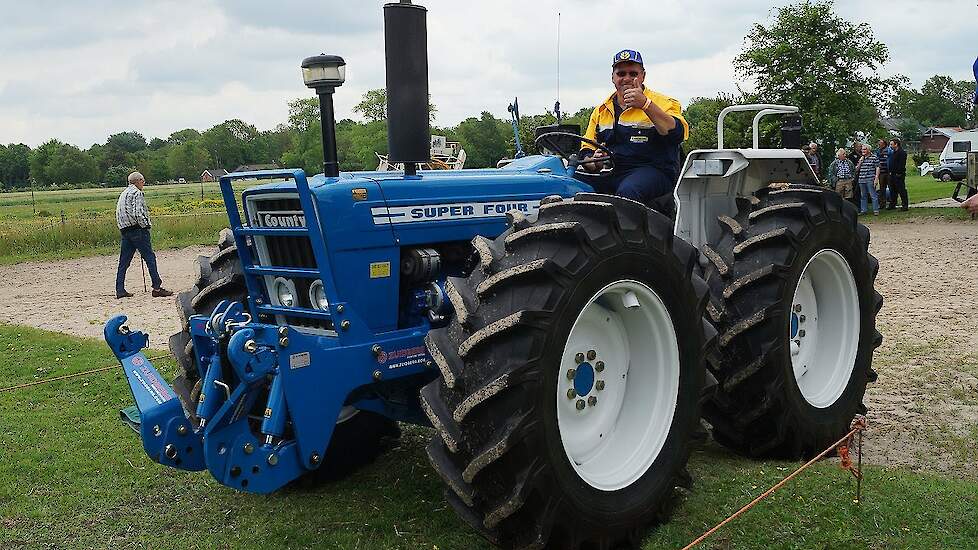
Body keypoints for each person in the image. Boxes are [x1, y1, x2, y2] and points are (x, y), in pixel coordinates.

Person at [579, 49, 689, 211]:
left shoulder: (665, 103)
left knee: (628, 191)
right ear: (613, 77)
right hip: (612, 171)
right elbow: (586, 149)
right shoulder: (601, 110)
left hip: (654, 170)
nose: (627, 79)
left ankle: (628, 236)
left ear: (643, 76)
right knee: (568, 183)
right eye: (621, 73)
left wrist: (645, 105)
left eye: (633, 73)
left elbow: (676, 134)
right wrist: (593, 162)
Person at [115, 171, 173, 299]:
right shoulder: (137, 193)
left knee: (124, 262)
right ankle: (157, 288)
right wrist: (146, 225)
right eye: (143, 181)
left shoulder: (123, 193)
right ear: (138, 181)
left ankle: (120, 290)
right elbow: (138, 213)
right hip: (138, 231)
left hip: (125, 231)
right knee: (150, 258)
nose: (144, 183)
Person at [856, 144, 880, 215]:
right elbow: (857, 169)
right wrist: (860, 162)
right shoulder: (861, 158)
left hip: (870, 178)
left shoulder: (874, 157)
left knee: (873, 195)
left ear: (869, 150)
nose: (862, 151)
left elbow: (878, 167)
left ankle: (876, 210)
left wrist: (876, 178)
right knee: (863, 196)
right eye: (862, 149)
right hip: (861, 179)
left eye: (864, 149)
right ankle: (864, 210)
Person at [887, 138, 909, 211]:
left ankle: (905, 205)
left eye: (891, 144)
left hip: (898, 175)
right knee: (892, 190)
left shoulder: (902, 153)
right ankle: (893, 204)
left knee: (901, 190)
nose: (890, 146)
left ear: (896, 144)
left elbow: (901, 164)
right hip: (892, 174)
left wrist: (898, 173)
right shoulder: (893, 153)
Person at [875, 138, 891, 204]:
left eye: (880, 143)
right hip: (881, 172)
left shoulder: (889, 150)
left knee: (890, 186)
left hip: (888, 172)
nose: (879, 144)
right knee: (882, 188)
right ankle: (882, 202)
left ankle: (891, 201)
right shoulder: (878, 151)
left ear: (884, 143)